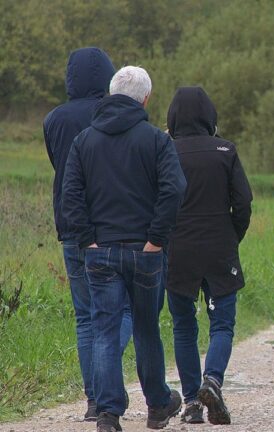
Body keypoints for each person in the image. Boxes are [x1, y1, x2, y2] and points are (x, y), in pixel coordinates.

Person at [62, 66, 186, 432]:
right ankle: (158, 406)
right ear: (146, 99)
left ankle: (108, 413)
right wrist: (156, 239)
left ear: (110, 94)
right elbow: (174, 189)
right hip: (146, 252)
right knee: (147, 329)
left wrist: (87, 239)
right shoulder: (156, 140)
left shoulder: (84, 141)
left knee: (104, 329)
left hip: (99, 251)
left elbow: (71, 195)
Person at [42, 47, 133, 422]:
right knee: (122, 309)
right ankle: (104, 378)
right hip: (110, 224)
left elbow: (58, 165)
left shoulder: (54, 119)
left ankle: (95, 399)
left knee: (85, 316)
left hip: (70, 226)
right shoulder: (112, 113)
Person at [164, 87, 253, 425]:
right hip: (219, 248)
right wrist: (232, 236)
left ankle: (191, 403)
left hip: (178, 248)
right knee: (222, 324)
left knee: (183, 326)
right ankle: (212, 380)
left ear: (173, 117)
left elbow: (157, 202)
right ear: (209, 116)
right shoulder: (225, 150)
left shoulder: (165, 151)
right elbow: (243, 203)